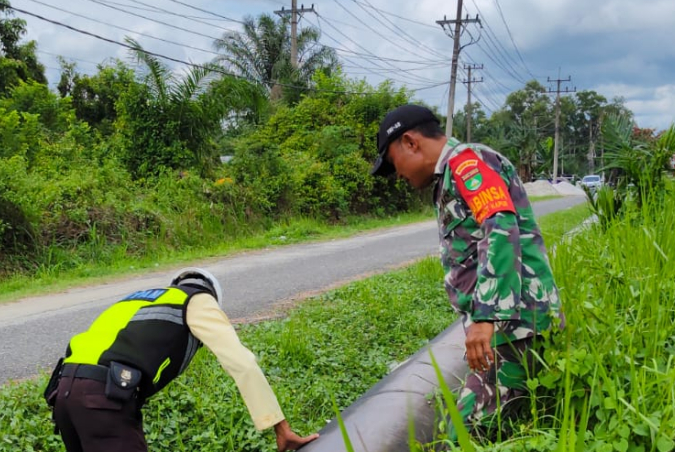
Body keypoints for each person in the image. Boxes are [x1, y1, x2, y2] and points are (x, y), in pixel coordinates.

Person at [370, 104, 564, 442]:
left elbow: (500, 227)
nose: (396, 174)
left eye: (392, 161)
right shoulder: (451, 174)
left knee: (463, 437)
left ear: (410, 142)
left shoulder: (468, 164)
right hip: (508, 330)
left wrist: (486, 317)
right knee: (493, 428)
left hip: (515, 329)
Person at [44, 267, 319, 452]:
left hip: (65, 395)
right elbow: (242, 363)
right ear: (211, 293)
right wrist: (280, 428)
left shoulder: (137, 299)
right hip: (101, 399)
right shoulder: (197, 299)